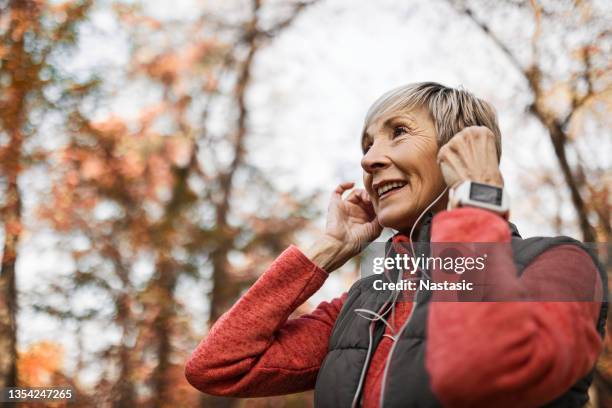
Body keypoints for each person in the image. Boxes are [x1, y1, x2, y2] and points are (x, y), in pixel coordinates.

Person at [184, 82, 607, 407]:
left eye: (398, 132)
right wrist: (329, 247)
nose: (369, 160)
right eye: (367, 146)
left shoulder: (561, 263)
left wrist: (476, 200)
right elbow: (218, 367)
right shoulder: (365, 300)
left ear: (459, 150)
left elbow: (485, 367)